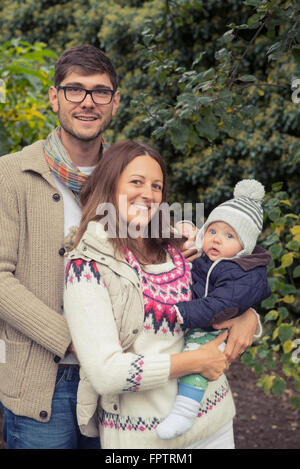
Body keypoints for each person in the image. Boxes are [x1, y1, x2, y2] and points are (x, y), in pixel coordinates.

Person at [64, 140, 261, 449]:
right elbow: (105, 372)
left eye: (156, 186)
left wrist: (250, 316)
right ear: (109, 186)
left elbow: (226, 283)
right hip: (144, 437)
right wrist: (194, 361)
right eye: (136, 182)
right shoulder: (86, 266)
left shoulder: (176, 248)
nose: (148, 194)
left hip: (214, 420)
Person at [0, 44, 120, 449]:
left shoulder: (126, 178)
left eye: (100, 92)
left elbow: (164, 255)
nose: (88, 102)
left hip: (115, 385)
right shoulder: (11, 174)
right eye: (75, 90)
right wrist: (72, 338)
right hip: (40, 384)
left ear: (115, 103)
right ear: (54, 97)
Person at [156, 179, 271, 440]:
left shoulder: (243, 272)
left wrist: (181, 312)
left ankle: (185, 410)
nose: (217, 239)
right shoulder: (210, 258)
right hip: (202, 318)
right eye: (213, 232)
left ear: (245, 247)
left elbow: (221, 304)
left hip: (214, 326)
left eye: (229, 236)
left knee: (199, 358)